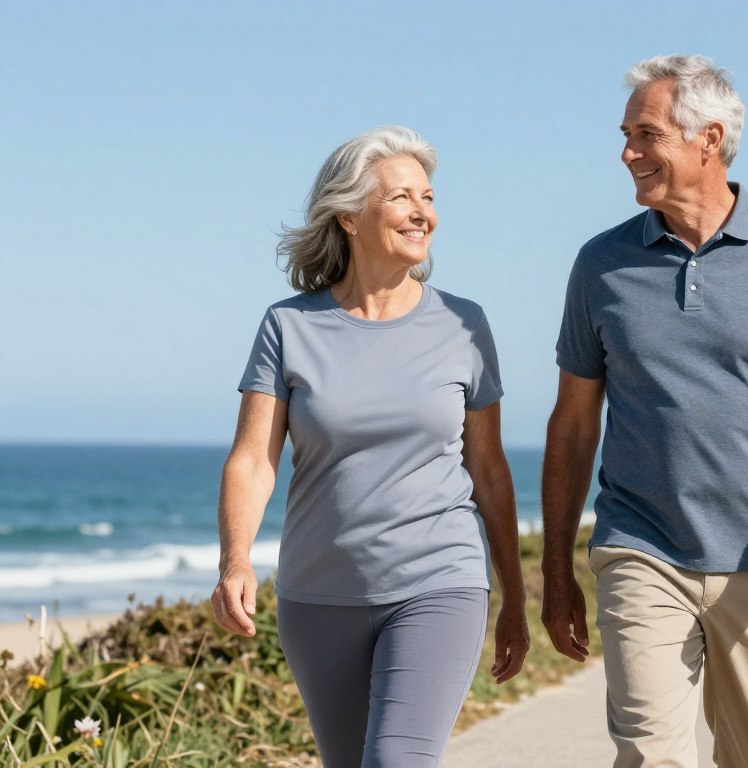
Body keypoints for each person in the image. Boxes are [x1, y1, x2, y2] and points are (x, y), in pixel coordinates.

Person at [541, 55, 748, 767]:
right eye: (626, 136)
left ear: (710, 138)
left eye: (647, 135)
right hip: (641, 547)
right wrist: (555, 569)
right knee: (650, 753)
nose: (628, 154)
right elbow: (572, 425)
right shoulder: (600, 264)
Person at [211, 126, 529, 768]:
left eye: (428, 197)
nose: (422, 213)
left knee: (397, 760)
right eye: (401, 197)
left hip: (439, 580)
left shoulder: (464, 324)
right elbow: (252, 459)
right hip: (318, 594)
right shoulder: (289, 325)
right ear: (349, 216)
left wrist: (515, 597)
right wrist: (235, 560)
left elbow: (488, 469)